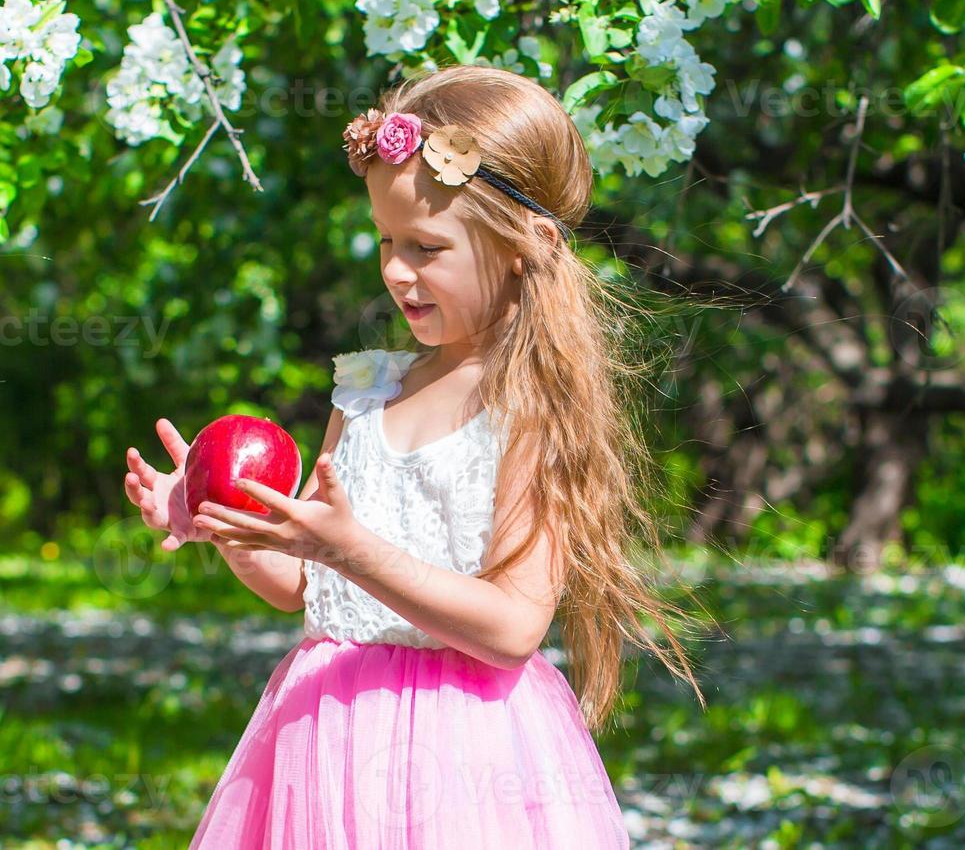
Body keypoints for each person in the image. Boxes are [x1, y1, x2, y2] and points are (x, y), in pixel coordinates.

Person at [121, 64, 704, 847]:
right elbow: (304, 587)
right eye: (386, 241)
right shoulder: (366, 388)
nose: (396, 269)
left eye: (426, 246)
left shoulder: (527, 406)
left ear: (522, 245)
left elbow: (510, 629)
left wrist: (355, 551)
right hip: (323, 739)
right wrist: (226, 521)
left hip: (464, 756)